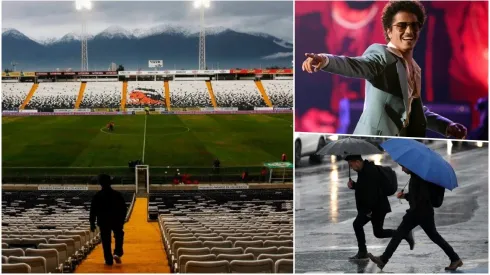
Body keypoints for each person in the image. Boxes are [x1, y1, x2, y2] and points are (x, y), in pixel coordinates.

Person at [301, 1, 467, 139]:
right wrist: (324, 61)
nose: (409, 31)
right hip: (361, 143)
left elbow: (411, 109)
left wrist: (446, 126)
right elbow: (356, 66)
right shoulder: (303, 25)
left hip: (390, 145)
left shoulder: (416, 60)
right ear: (389, 30)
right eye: (402, 26)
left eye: (414, 27)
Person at [368, 165, 462, 271]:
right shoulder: (416, 176)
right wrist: (405, 196)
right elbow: (417, 195)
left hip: (421, 213)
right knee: (400, 234)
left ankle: (455, 259)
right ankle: (383, 259)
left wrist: (408, 200)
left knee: (433, 237)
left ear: (410, 166)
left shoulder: (420, 178)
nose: (402, 170)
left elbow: (421, 197)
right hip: (418, 212)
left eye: (403, 167)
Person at [344, 155, 414, 260]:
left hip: (375, 207)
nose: (351, 167)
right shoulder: (364, 171)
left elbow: (372, 193)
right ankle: (404, 233)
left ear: (357, 162)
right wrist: (354, 185)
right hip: (374, 207)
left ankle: (362, 251)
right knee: (378, 233)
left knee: (357, 224)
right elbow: (364, 188)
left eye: (351, 164)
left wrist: (368, 211)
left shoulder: (369, 172)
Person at [90, 174, 127, 266]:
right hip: (116, 220)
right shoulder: (117, 195)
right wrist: (122, 220)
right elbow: (123, 209)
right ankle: (117, 252)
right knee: (119, 236)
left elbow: (93, 211)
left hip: (103, 221)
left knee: (106, 240)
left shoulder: (97, 196)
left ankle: (108, 260)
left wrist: (92, 223)